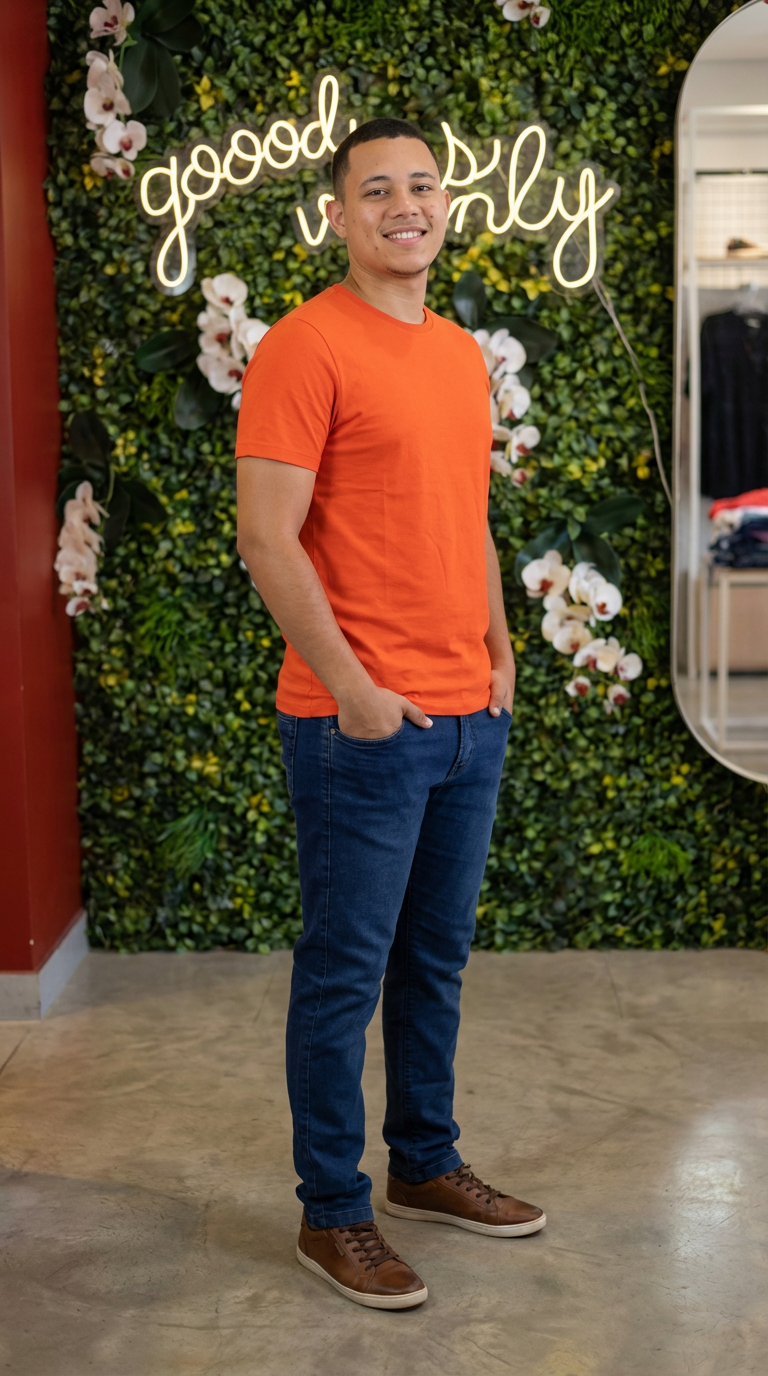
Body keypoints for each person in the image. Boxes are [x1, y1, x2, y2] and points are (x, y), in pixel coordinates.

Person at [236, 117, 545, 1311]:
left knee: (435, 959)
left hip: (469, 713)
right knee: (343, 973)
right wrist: (357, 690)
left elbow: (467, 514)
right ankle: (332, 1211)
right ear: (338, 214)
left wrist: (501, 648)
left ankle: (423, 1160)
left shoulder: (460, 354)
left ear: (445, 205)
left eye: (421, 184)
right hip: (358, 722)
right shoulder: (305, 345)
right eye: (376, 190)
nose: (403, 204)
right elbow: (267, 539)